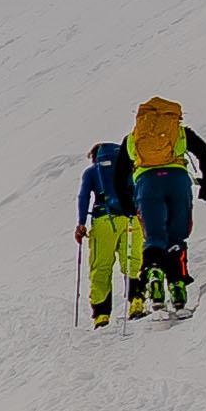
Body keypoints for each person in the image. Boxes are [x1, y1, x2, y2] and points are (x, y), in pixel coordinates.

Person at [129, 97, 206, 314]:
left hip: (147, 184)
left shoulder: (134, 138)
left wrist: (127, 202)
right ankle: (177, 285)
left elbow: (121, 171)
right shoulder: (180, 132)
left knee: (154, 237)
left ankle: (155, 274)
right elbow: (205, 154)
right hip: (177, 181)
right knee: (176, 236)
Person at [78, 137, 143, 326]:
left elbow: (83, 197)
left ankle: (101, 315)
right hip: (131, 218)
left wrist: (81, 224)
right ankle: (137, 302)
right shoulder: (128, 166)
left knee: (101, 267)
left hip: (103, 220)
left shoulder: (91, 172)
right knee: (133, 260)